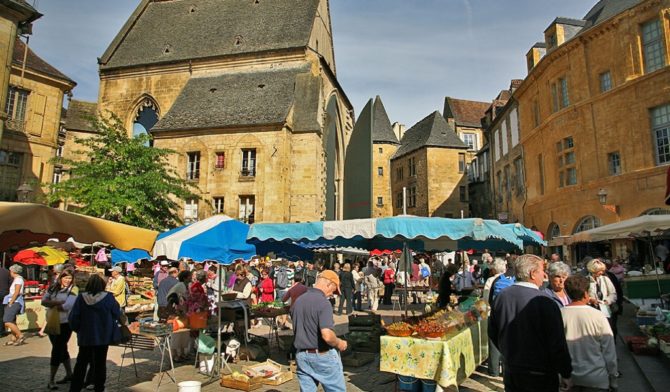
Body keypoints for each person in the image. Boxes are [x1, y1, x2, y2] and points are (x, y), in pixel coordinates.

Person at [488, 254, 572, 392]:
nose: (544, 275)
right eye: (541, 271)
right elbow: (557, 342)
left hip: (512, 369)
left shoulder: (502, 296)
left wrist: (508, 352)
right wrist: (566, 372)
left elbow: (493, 332)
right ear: (533, 273)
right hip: (540, 373)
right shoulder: (545, 300)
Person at [291, 270, 348, 392]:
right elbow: (327, 335)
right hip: (322, 354)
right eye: (333, 290)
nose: (332, 294)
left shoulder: (298, 301)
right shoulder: (323, 303)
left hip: (301, 355)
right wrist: (339, 343)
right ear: (329, 284)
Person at [69, 274, 125, 392]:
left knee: (81, 363)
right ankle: (99, 388)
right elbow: (117, 313)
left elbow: (73, 318)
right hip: (103, 336)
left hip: (85, 336)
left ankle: (75, 388)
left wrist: (78, 329)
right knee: (100, 363)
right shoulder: (108, 298)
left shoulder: (81, 298)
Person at [562, 275, 618, 392]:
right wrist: (613, 379)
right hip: (596, 378)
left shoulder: (559, 314)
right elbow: (609, 351)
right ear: (586, 293)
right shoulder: (598, 315)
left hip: (569, 378)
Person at [42, 270, 78, 389]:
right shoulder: (53, 288)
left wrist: (52, 303)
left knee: (57, 349)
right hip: (52, 322)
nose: (68, 280)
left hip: (66, 323)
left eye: (70, 278)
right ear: (60, 278)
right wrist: (57, 302)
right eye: (66, 278)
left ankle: (51, 380)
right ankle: (69, 374)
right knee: (62, 348)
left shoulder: (74, 290)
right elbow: (43, 301)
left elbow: (66, 307)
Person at [482, 258, 507, 377]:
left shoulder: (490, 280)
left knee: (494, 341)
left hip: (493, 314)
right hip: (507, 314)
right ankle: (506, 369)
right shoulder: (510, 279)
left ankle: (494, 370)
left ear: (493, 269)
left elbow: (485, 301)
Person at [586, 259, 617, 338]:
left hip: (606, 309)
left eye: (602, 270)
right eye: (599, 270)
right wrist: (591, 300)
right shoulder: (586, 280)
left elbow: (613, 294)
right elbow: (584, 295)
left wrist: (607, 301)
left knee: (608, 329)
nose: (601, 272)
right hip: (592, 310)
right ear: (593, 270)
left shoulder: (605, 279)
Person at [3, 264, 26, 346]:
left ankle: (20, 335)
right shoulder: (17, 279)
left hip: (15, 302)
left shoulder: (18, 280)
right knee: (12, 320)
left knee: (7, 321)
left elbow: (16, 292)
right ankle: (13, 338)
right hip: (14, 301)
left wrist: (11, 302)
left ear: (13, 271)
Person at [0, 264, 11, 333]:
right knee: (1, 313)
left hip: (3, 294)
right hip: (4, 294)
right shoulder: (7, 271)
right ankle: (1, 330)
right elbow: (10, 283)